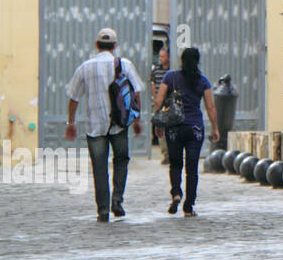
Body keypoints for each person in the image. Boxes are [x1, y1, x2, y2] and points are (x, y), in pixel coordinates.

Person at [64, 27, 144, 223]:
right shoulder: (124, 64)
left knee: (99, 167)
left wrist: (71, 123)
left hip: (95, 126)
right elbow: (135, 93)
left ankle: (102, 210)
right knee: (121, 160)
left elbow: (74, 98)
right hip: (120, 124)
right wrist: (137, 119)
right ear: (115, 46)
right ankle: (117, 200)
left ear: (96, 45)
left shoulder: (85, 67)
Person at [152, 46, 221, 216]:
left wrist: (158, 123)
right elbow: (210, 107)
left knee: (175, 164)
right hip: (194, 128)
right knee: (192, 169)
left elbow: (158, 101)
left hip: (174, 128)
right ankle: (189, 206)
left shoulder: (170, 76)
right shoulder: (203, 81)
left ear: (181, 61)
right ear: (197, 62)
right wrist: (215, 128)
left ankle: (176, 194)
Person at [150, 48, 170, 164]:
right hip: (159, 103)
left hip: (170, 104)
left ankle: (173, 152)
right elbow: (153, 84)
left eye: (163, 56)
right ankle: (166, 154)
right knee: (160, 129)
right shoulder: (156, 70)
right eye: (160, 56)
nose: (160, 59)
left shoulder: (172, 69)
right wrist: (155, 98)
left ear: (168, 58)